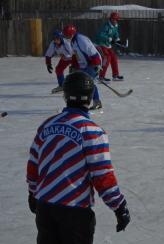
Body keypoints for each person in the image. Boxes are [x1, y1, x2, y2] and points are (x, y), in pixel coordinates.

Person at [26, 71, 130, 244]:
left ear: (65, 95)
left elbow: (33, 164)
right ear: (89, 98)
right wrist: (119, 206)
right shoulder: (92, 132)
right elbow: (102, 175)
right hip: (75, 212)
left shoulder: (47, 125)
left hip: (45, 207)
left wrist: (33, 192)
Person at [70, 28, 103, 110]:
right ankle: (96, 101)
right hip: (85, 65)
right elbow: (75, 54)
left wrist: (96, 64)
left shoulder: (81, 40)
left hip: (93, 63)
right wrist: (74, 65)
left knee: (87, 83)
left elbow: (92, 52)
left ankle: (90, 102)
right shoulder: (73, 41)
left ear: (71, 34)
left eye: (66, 35)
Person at [45, 26, 75, 94]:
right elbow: (48, 54)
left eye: (58, 38)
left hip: (73, 58)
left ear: (61, 38)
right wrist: (48, 64)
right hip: (64, 59)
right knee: (58, 69)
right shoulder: (53, 44)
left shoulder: (66, 43)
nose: (56, 40)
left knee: (74, 71)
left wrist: (66, 56)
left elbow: (73, 53)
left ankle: (76, 86)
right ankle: (62, 86)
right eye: (55, 39)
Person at [95, 12, 124, 82]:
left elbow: (116, 33)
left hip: (108, 45)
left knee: (114, 58)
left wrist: (118, 40)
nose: (114, 21)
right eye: (113, 19)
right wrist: (109, 39)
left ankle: (115, 75)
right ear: (110, 19)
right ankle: (101, 77)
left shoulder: (115, 25)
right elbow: (100, 35)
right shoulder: (106, 26)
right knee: (107, 58)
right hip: (101, 44)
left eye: (116, 19)